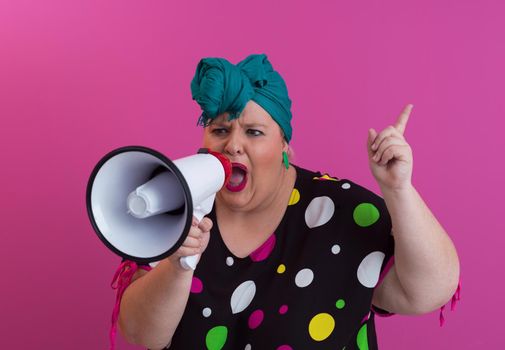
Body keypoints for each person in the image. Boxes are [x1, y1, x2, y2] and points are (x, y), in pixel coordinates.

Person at [116, 54, 460, 349]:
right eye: (220, 130)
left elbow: (427, 293)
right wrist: (178, 268)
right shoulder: (175, 206)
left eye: (254, 132)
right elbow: (140, 332)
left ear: (285, 146)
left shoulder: (343, 212)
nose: (233, 145)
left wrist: (399, 190)